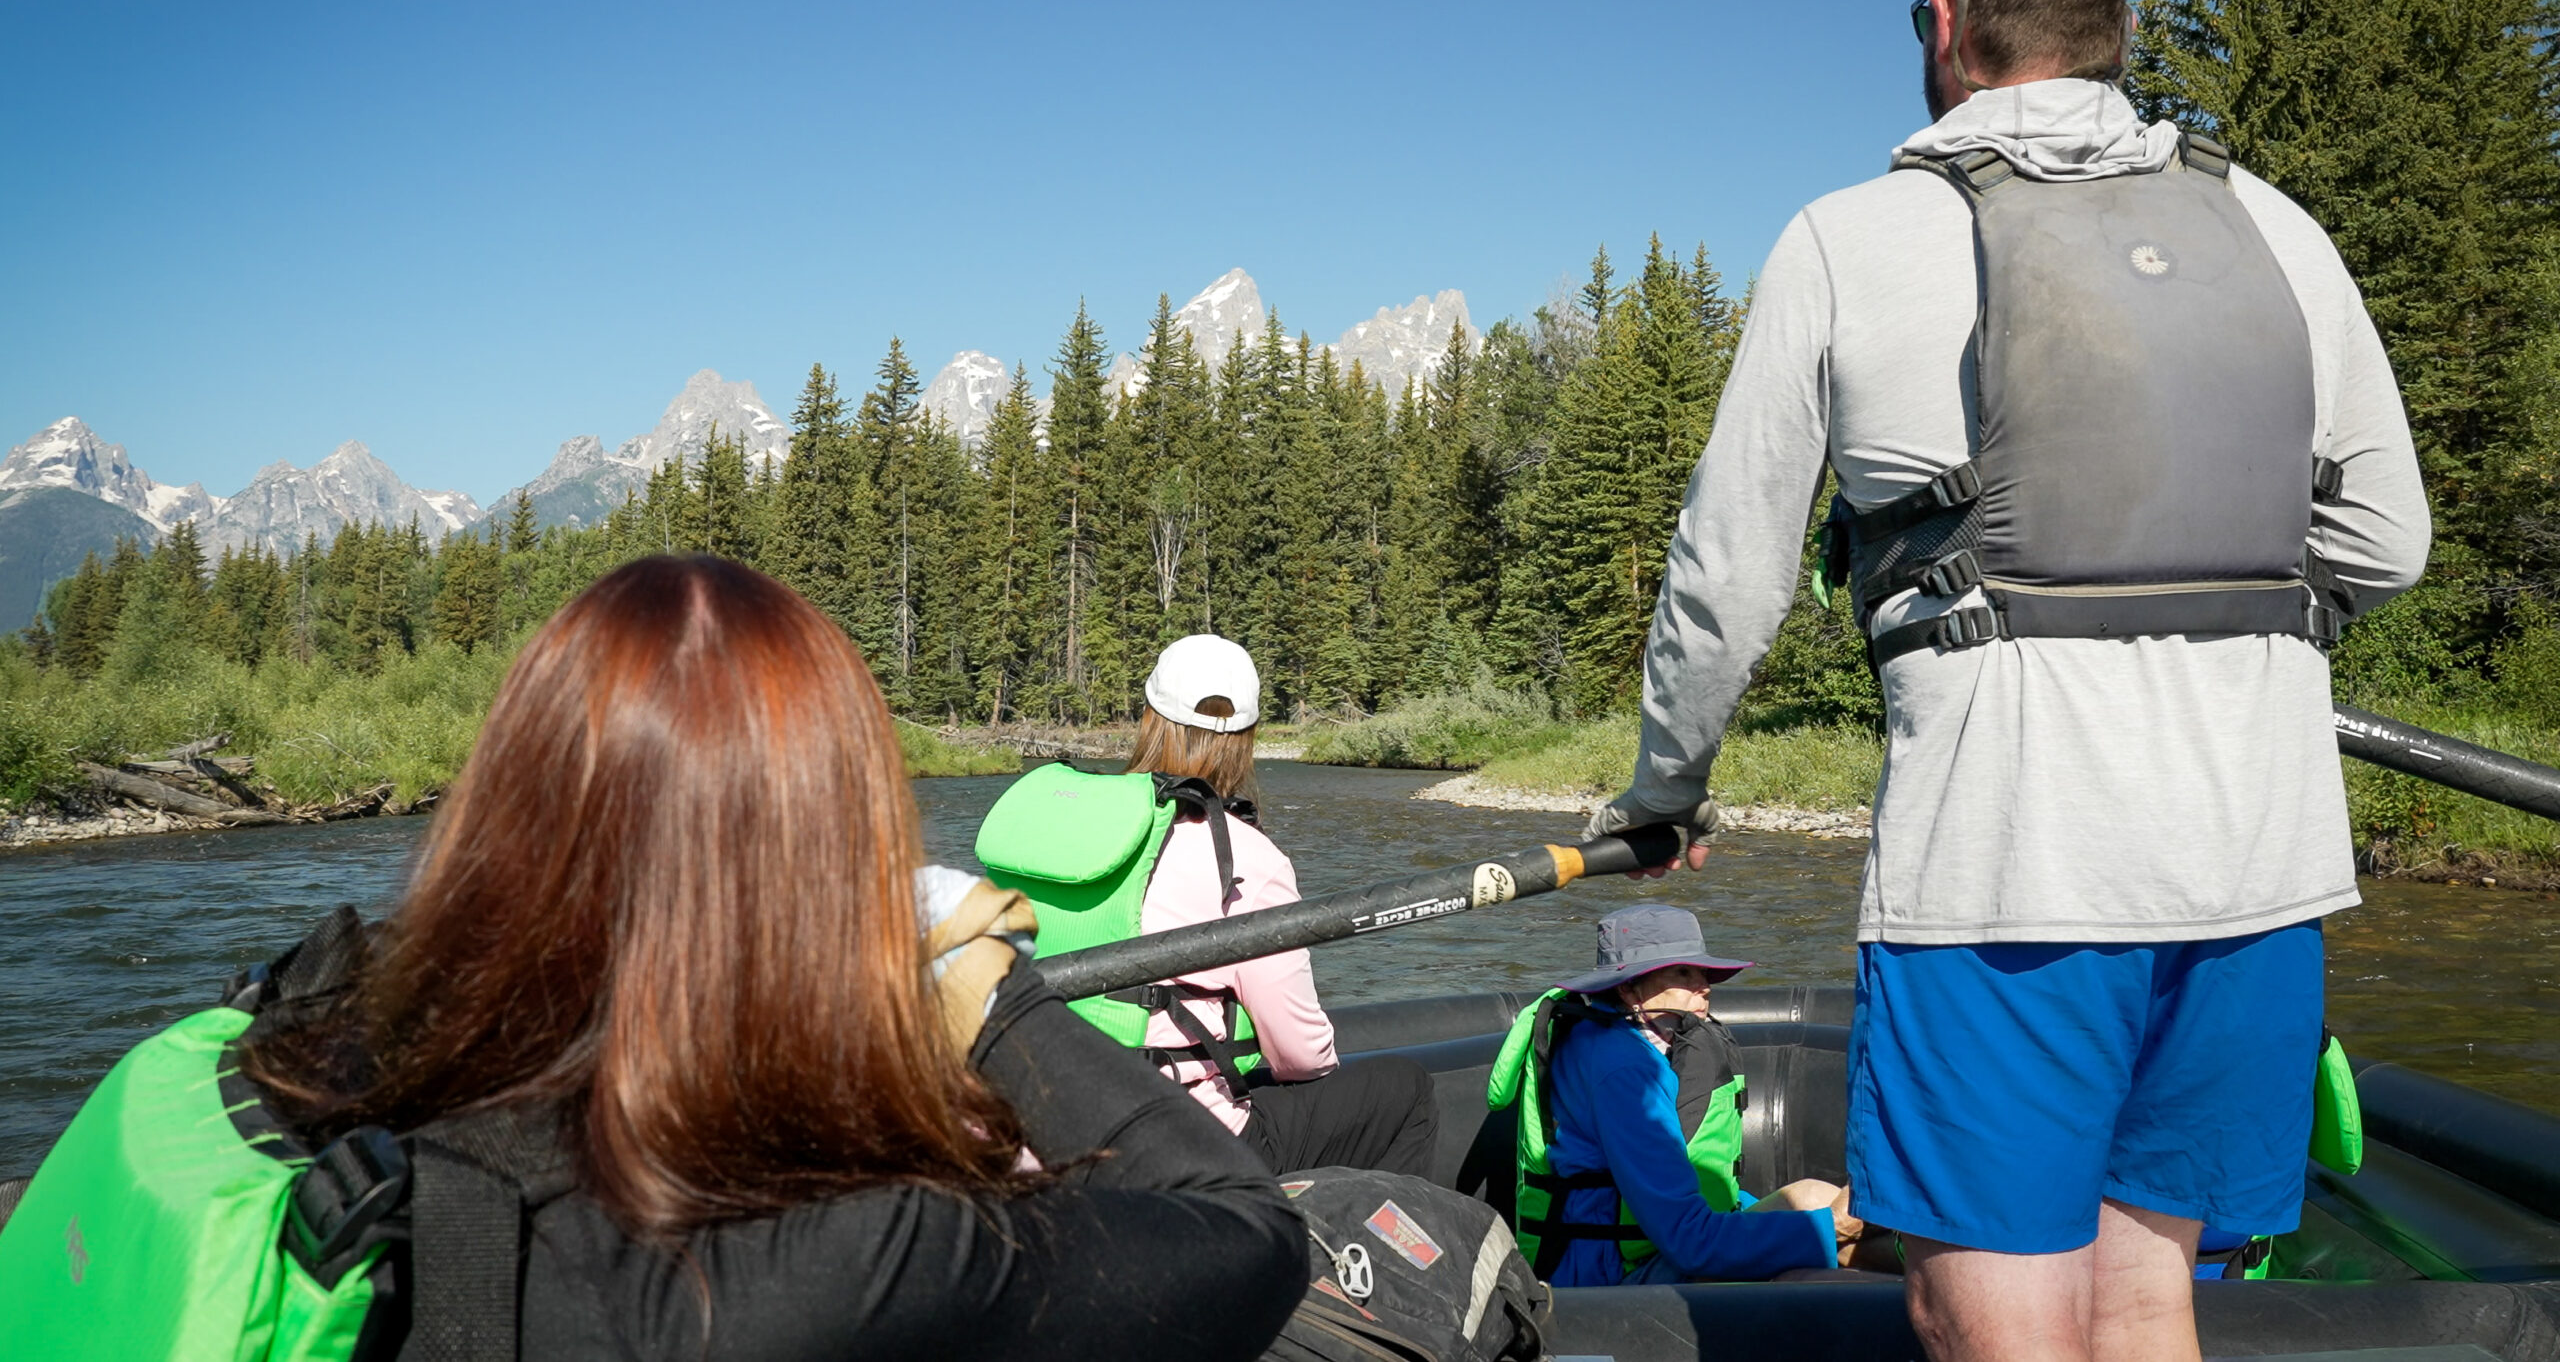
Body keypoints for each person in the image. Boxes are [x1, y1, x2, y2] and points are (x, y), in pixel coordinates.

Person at [1579, 0, 2430, 1362]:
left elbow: (1727, 578)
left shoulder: (1850, 236)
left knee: (1991, 1314)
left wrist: (1668, 787)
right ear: (2115, 22)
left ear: (1943, 22)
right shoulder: (2277, 230)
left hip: (2009, 871)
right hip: (2262, 862)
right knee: (2148, 1288)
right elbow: (2388, 541)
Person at [0, 557, 1308, 1362]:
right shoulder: (852, 1257)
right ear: (828, 868)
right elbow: (1252, 1234)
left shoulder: (284, 1053)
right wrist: (992, 1000)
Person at [978, 633, 1438, 1178]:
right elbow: (1301, 1054)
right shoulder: (1244, 857)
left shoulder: (1058, 827)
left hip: (1033, 1125)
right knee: (1406, 1092)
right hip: (1169, 1146)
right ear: (1247, 738)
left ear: (1148, 717)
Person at [1490, 904, 1859, 1285]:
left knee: (1811, 1196)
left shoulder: (1604, 1037)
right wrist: (1837, 1227)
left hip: (1648, 1251)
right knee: (1820, 1266)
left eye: (1703, 972)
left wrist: (1826, 1223)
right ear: (1629, 987)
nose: (1704, 985)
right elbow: (1690, 1243)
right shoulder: (1627, 1072)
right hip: (1610, 1281)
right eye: (1683, 972)